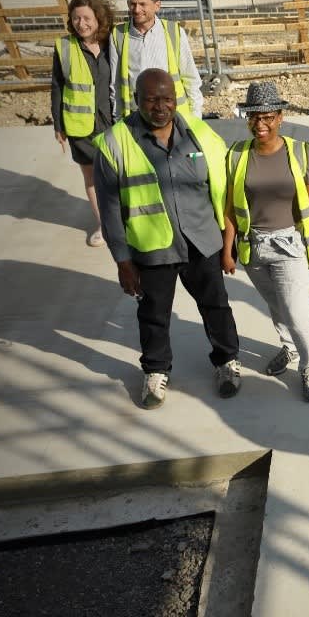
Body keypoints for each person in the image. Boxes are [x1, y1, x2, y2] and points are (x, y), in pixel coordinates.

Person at [93, 68, 240, 409]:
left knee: (216, 305)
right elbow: (110, 209)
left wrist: (228, 238)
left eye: (167, 98)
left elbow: (223, 187)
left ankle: (226, 361)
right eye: (152, 99)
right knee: (154, 313)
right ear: (136, 101)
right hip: (153, 247)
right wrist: (123, 260)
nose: (161, 107)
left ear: (177, 98)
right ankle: (156, 370)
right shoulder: (116, 143)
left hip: (202, 240)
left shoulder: (200, 134)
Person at [221, 82, 309, 403]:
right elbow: (230, 206)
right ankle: (290, 348)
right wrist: (228, 248)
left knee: (296, 310)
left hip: (291, 245)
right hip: (253, 245)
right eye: (254, 117)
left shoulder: (299, 151)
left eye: (268, 117)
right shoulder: (237, 155)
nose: (261, 124)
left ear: (281, 117)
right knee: (276, 304)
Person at [52, 0, 117, 247]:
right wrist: (58, 125)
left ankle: (124, 221)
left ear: (99, 18)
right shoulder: (65, 47)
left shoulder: (114, 42)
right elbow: (57, 86)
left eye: (86, 17)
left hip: (113, 123)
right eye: (76, 18)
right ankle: (104, 225)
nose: (81, 23)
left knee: (118, 175)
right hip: (80, 126)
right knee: (92, 178)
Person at [109, 0, 204, 118]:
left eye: (142, 4)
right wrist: (118, 119)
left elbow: (191, 78)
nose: (136, 10)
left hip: (172, 116)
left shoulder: (174, 32)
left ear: (157, 5)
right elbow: (116, 84)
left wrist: (195, 118)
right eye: (133, 4)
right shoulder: (118, 35)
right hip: (137, 116)